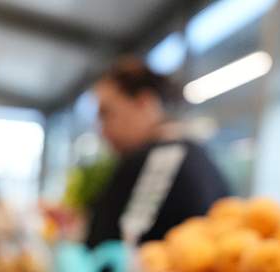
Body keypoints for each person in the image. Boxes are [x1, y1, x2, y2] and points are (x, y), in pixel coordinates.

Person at [85, 58, 229, 248]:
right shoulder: (198, 155)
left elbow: (107, 245)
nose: (102, 130)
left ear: (144, 103)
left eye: (106, 114)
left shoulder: (155, 160)